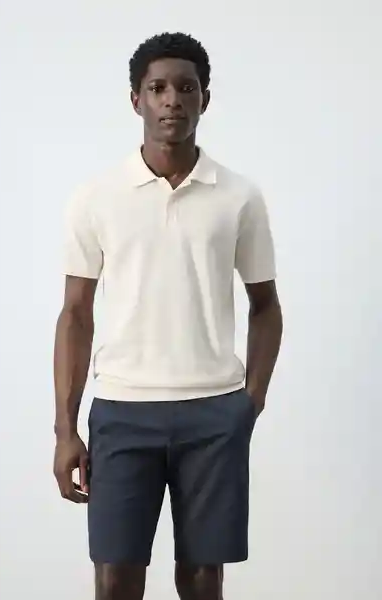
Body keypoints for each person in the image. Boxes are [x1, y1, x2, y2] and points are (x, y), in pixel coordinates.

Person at [53, 31, 283, 600]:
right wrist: (65, 428)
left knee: (203, 580)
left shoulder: (239, 196)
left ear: (205, 98)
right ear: (137, 100)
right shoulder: (97, 196)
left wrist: (250, 403)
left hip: (214, 414)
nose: (172, 100)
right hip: (122, 412)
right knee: (115, 580)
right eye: (157, 88)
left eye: (186, 87)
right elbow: (75, 315)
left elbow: (266, 306)